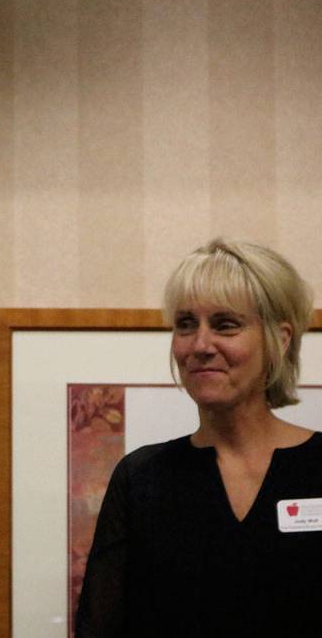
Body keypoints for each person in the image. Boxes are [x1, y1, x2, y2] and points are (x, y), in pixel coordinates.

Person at [75, 238, 321, 637]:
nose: (201, 345)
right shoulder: (141, 479)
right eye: (186, 324)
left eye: (225, 324)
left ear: (281, 338)